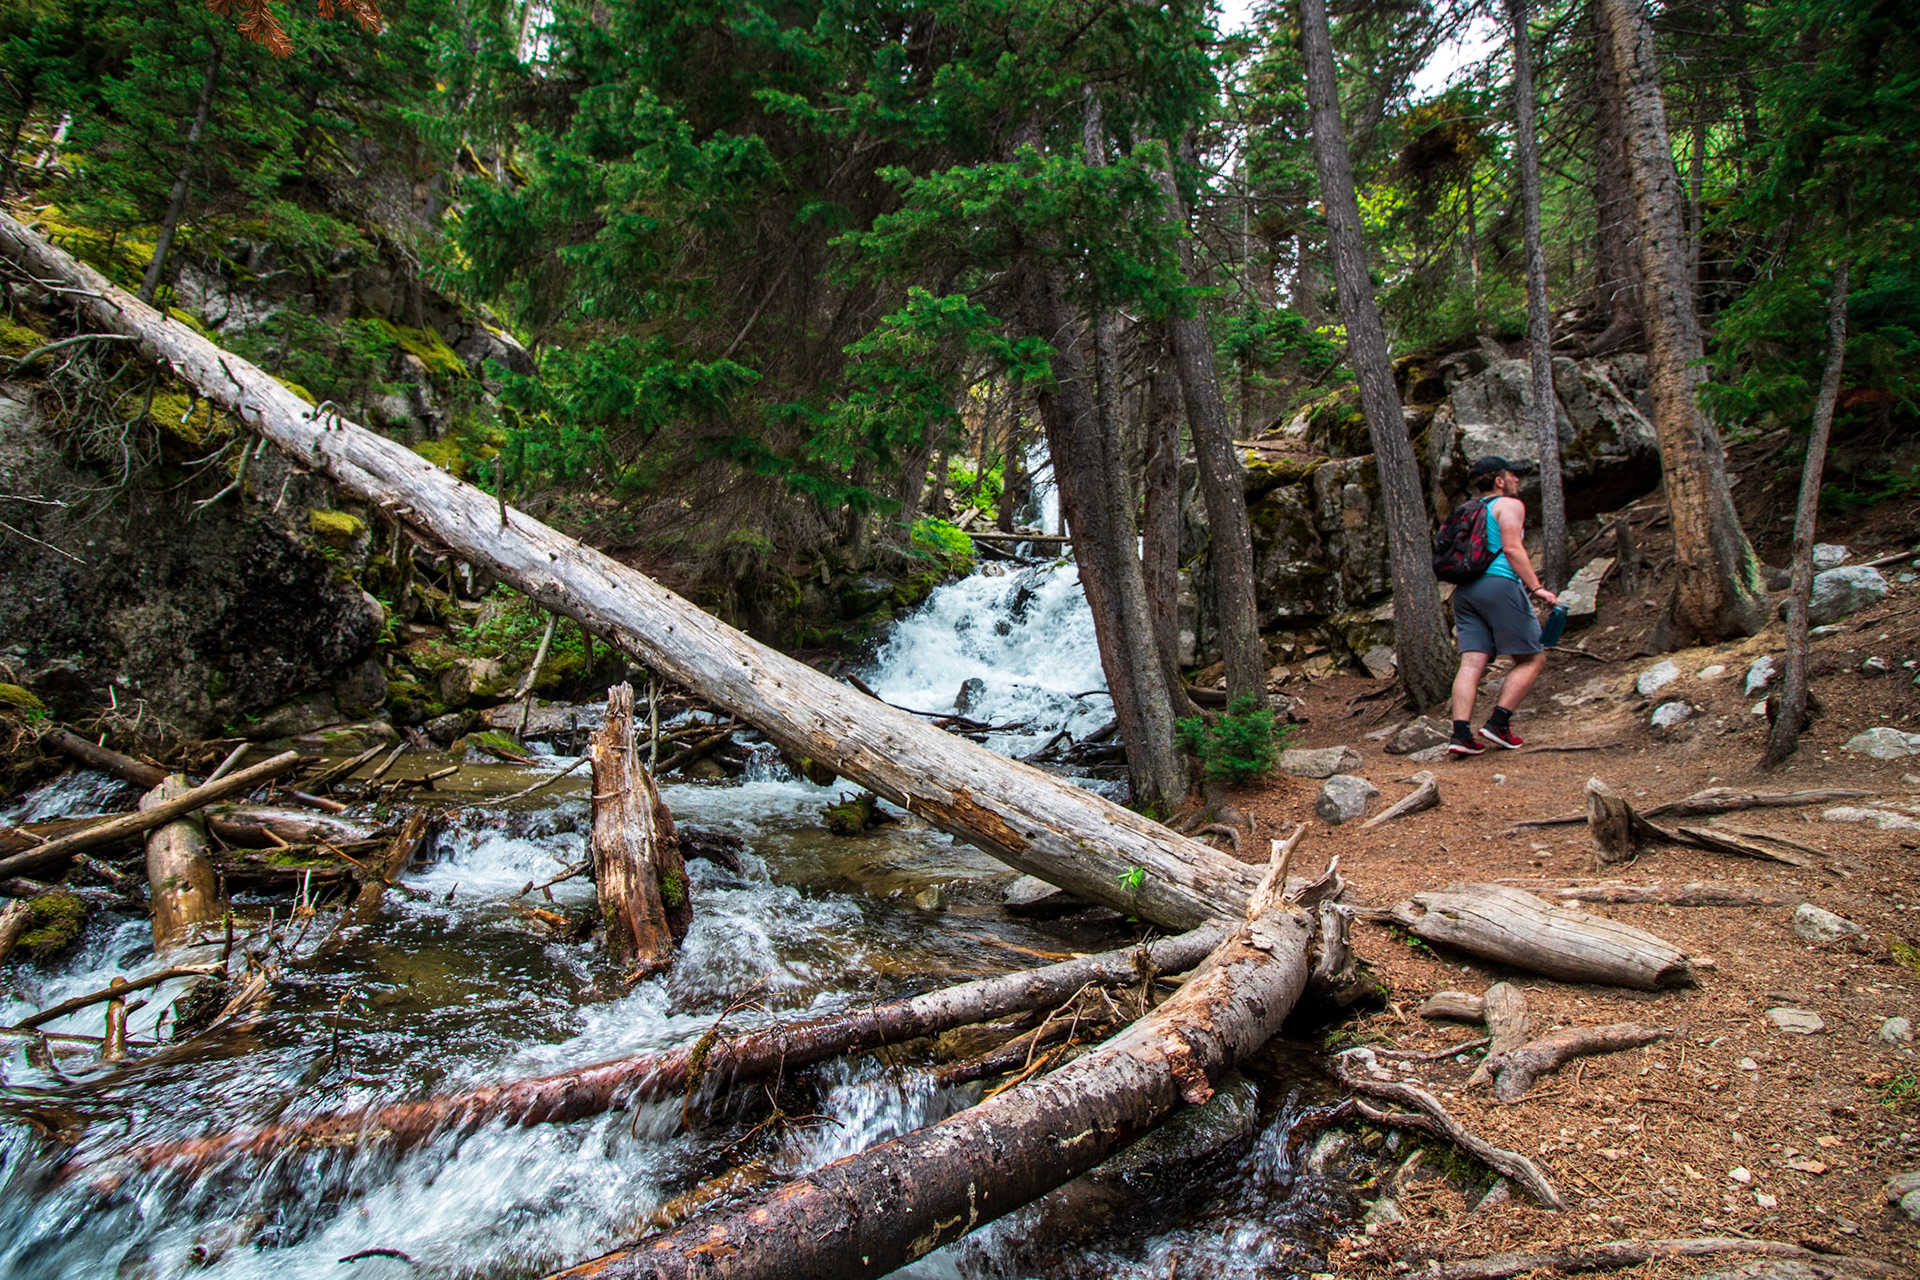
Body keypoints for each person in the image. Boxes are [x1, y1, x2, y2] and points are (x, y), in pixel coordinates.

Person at [1448, 456, 1559, 755]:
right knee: (1532, 658)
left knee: (1471, 662)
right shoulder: (1509, 505)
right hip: (1498, 584)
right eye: (1513, 475)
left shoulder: (1465, 511)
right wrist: (1536, 587)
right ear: (1499, 480)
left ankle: (1460, 735)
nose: (1517, 480)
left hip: (1464, 590)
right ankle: (1498, 724)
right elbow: (1511, 547)